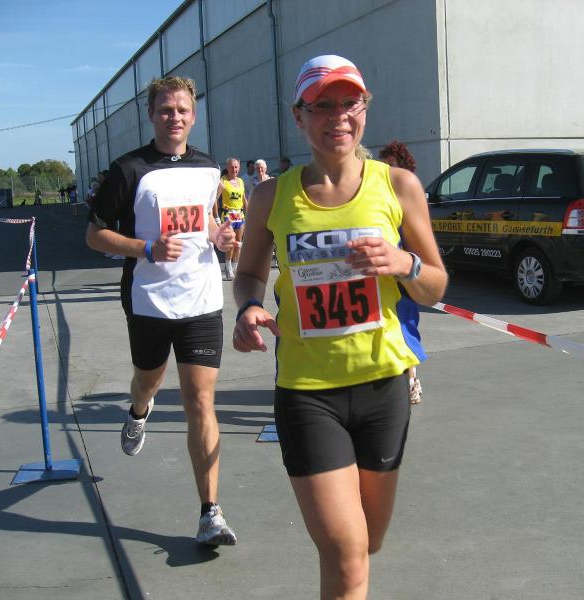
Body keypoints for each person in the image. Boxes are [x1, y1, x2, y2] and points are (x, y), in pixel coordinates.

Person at [232, 54, 447, 598]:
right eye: (322, 105)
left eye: (350, 103)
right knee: (346, 554)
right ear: (298, 116)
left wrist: (404, 264)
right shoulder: (271, 195)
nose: (339, 116)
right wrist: (248, 306)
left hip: (384, 387)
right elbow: (250, 272)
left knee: (368, 542)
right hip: (308, 392)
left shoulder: (398, 186)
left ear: (365, 109)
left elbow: (436, 285)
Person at [85, 75, 238, 547]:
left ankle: (210, 513)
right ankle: (139, 409)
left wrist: (219, 236)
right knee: (147, 381)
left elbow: (206, 219)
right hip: (149, 301)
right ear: (151, 115)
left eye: (182, 110)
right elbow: (94, 234)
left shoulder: (209, 167)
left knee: (200, 401)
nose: (175, 117)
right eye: (166, 109)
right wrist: (145, 248)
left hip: (201, 300)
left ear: (194, 115)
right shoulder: (129, 169)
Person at [378, 140, 422, 404]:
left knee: (405, 329)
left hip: (405, 277)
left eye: (391, 165)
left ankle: (412, 381)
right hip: (383, 280)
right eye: (383, 166)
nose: (387, 171)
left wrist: (406, 264)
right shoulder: (378, 198)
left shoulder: (410, 198)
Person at [216, 157, 247, 279]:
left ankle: (235, 267)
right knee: (230, 242)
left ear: (239, 168)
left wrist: (249, 213)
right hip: (227, 215)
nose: (234, 169)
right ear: (227, 168)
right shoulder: (223, 181)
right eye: (232, 167)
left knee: (238, 243)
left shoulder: (241, 181)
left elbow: (243, 199)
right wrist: (216, 217)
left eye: (236, 167)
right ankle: (228, 267)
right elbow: (214, 199)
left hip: (239, 215)